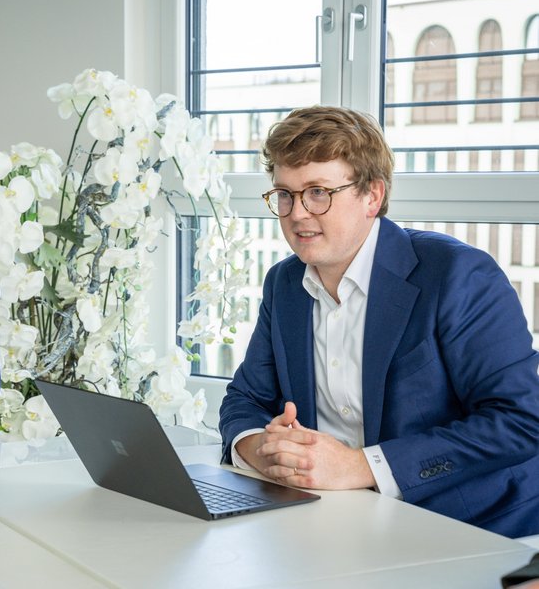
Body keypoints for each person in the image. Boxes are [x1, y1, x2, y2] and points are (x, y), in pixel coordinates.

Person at [219, 105, 539, 538]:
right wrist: (262, 449)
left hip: (473, 526)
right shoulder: (285, 283)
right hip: (332, 522)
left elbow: (519, 420)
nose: (296, 213)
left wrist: (360, 466)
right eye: (285, 194)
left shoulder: (457, 274)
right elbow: (245, 398)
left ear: (372, 195)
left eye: (318, 192)